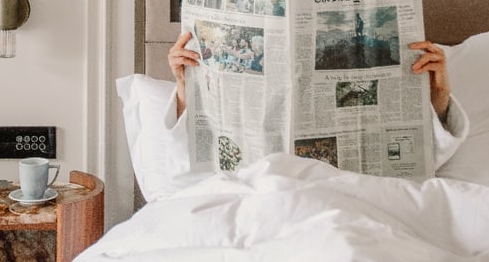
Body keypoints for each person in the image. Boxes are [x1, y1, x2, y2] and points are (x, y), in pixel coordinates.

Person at [166, 31, 468, 170]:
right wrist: (184, 87)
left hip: (352, 206)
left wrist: (438, 96)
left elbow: (424, 162)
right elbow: (187, 159)